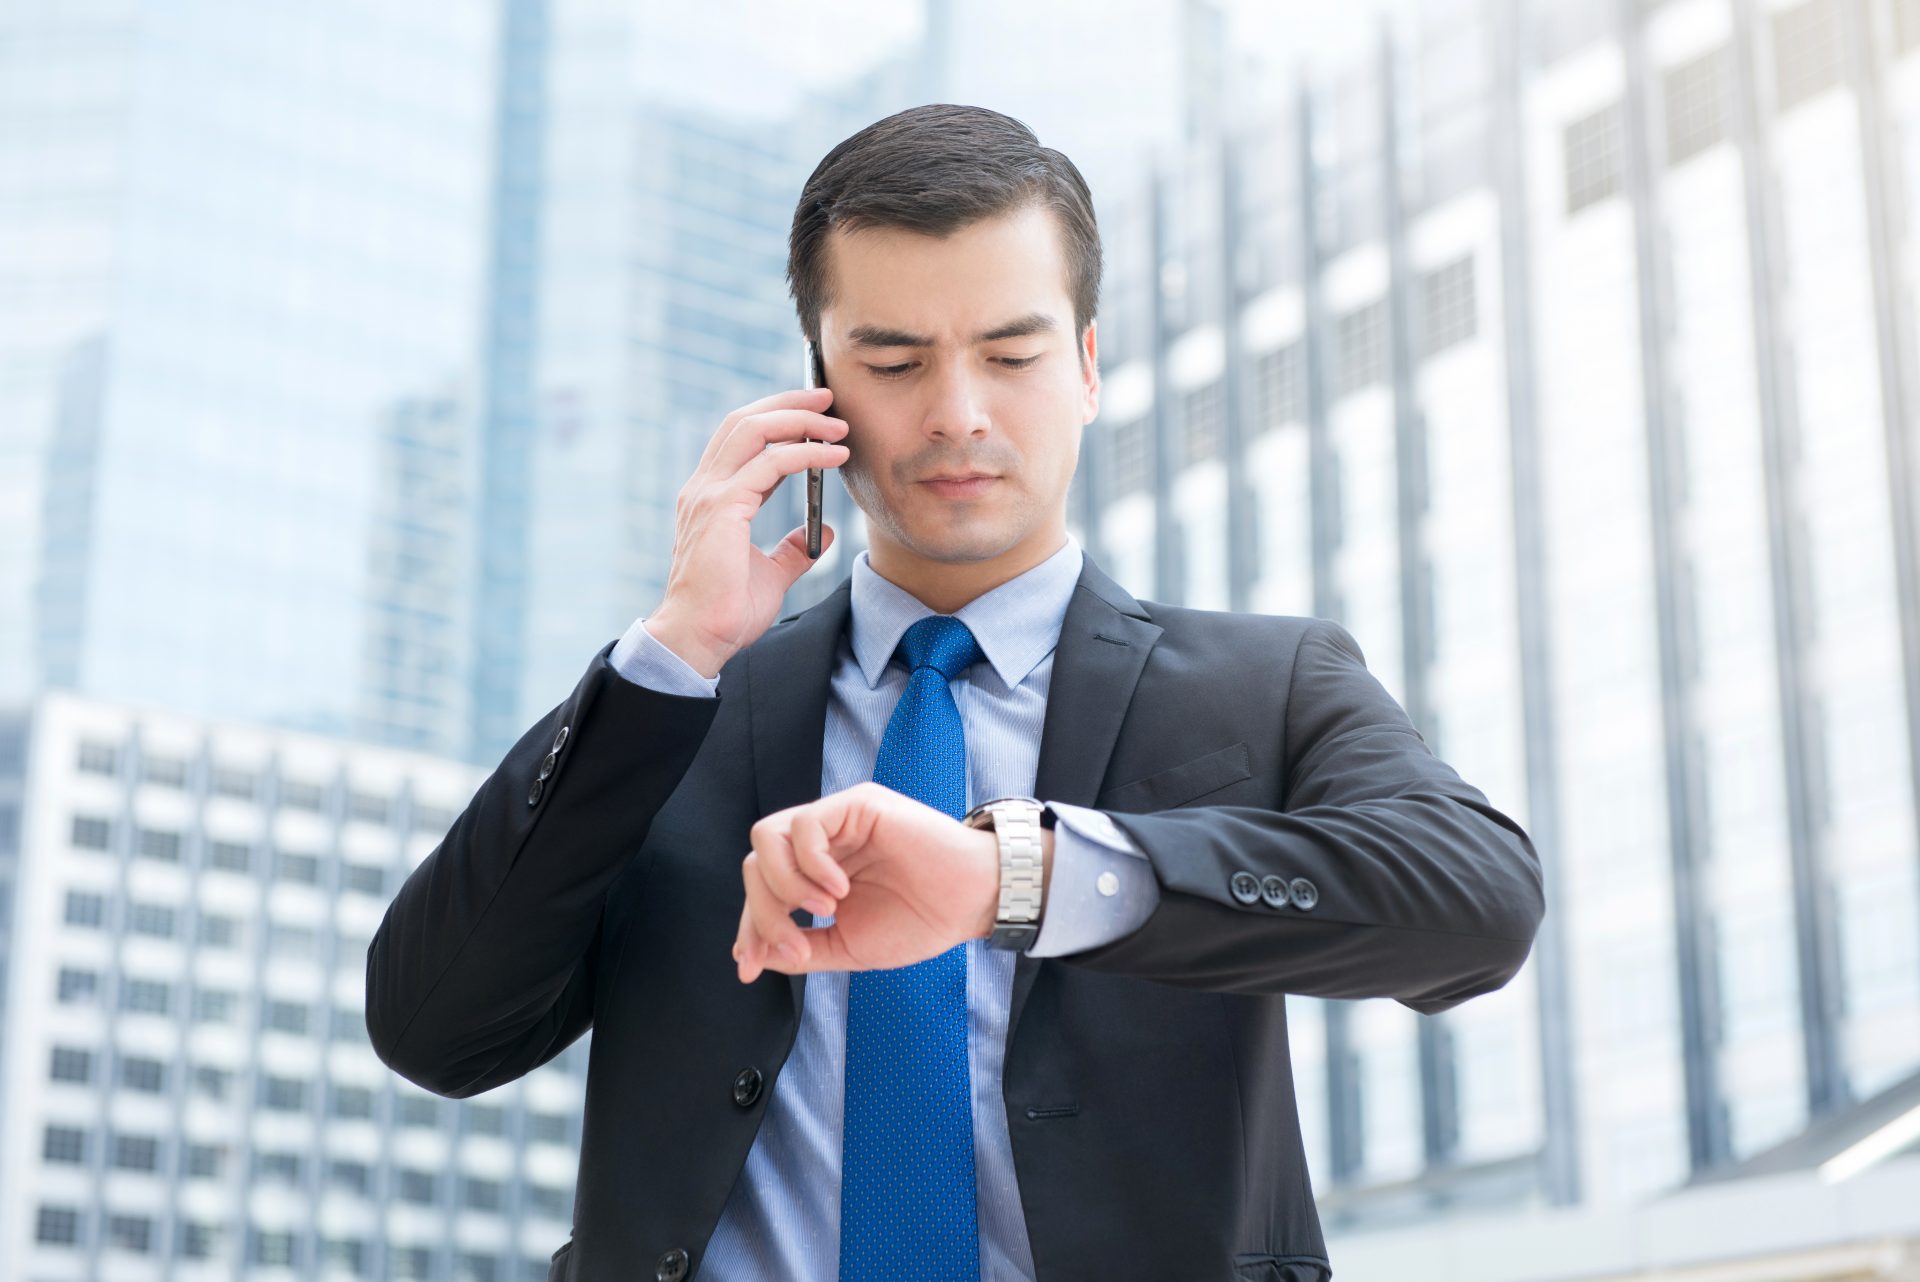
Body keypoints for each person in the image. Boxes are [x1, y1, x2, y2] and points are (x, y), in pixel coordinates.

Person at [366, 103, 1544, 1282]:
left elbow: (1479, 905)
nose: (957, 414)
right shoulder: (684, 710)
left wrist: (1013, 877)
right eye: (892, 362)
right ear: (818, 395)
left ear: (1086, 367)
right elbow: (436, 1030)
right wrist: (677, 645)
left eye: (1013, 355)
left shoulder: (1264, 686)